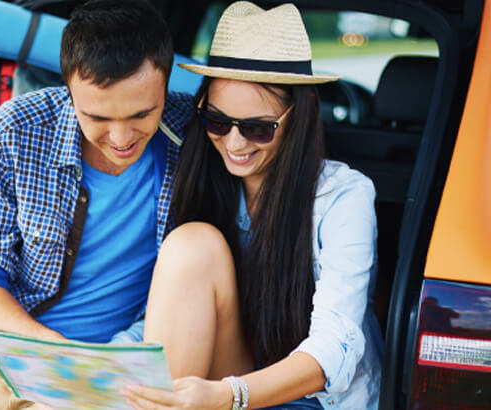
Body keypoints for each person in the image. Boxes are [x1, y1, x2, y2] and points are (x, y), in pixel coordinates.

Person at [0, 0, 192, 408]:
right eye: (98, 118)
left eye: (142, 114)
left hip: (116, 367)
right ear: (68, 87)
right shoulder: (10, 134)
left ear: (167, 83)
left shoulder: (197, 137)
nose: (122, 137)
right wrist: (50, 350)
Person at [120, 2, 383, 409]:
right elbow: (164, 320)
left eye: (258, 128)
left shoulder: (344, 196)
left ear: (296, 119)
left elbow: (336, 346)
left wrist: (229, 395)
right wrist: (101, 368)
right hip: (223, 383)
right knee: (191, 242)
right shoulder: (201, 176)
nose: (235, 144)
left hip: (306, 397)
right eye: (218, 122)